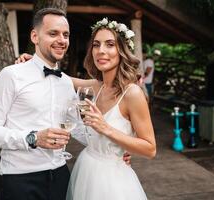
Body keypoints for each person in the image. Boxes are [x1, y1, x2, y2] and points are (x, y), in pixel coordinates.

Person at [0, 8, 73, 200]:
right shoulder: (11, 75)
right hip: (20, 179)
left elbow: (77, 127)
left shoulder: (66, 82)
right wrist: (33, 138)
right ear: (35, 36)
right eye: (53, 33)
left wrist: (111, 151)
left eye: (66, 35)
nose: (62, 40)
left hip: (60, 175)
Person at [65, 18, 156, 200]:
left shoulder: (132, 94)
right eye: (96, 45)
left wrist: (105, 128)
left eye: (110, 45)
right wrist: (34, 64)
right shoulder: (95, 86)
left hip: (113, 180)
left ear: (122, 51)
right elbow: (60, 78)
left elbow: (150, 149)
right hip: (86, 168)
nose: (101, 51)